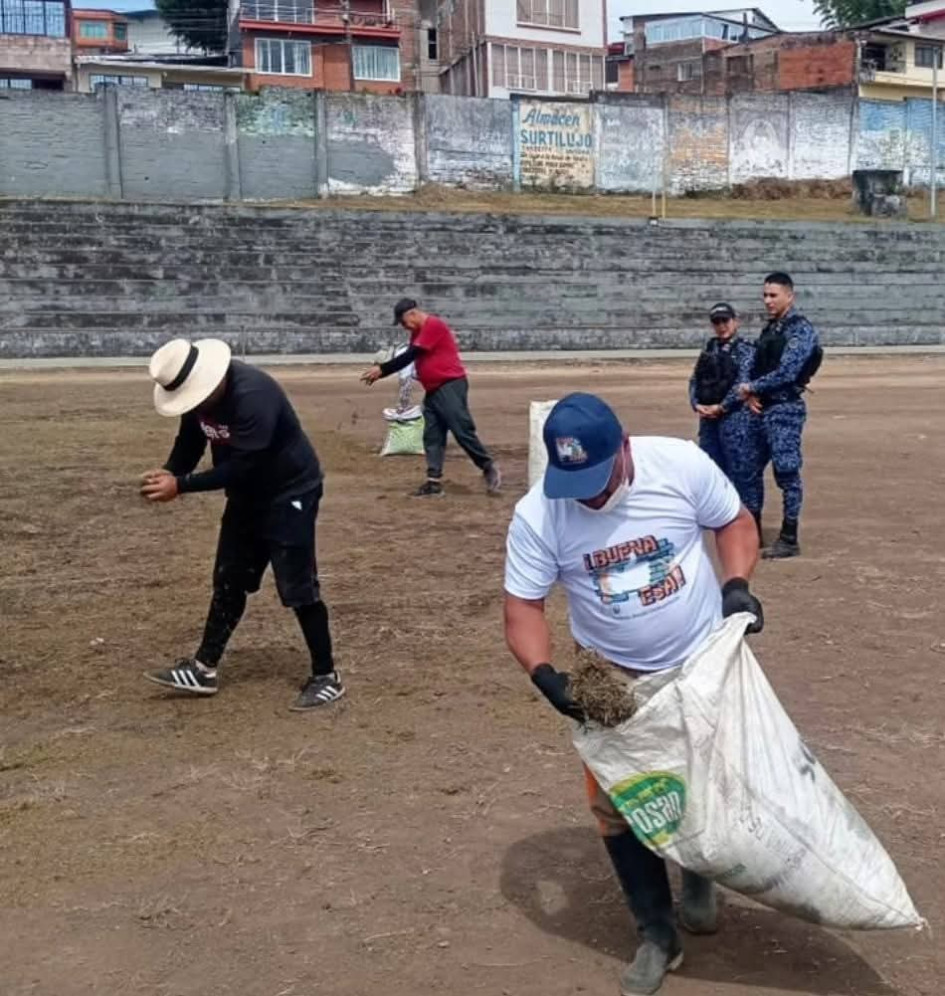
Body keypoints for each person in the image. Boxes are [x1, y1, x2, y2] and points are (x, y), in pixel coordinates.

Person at [503, 393, 763, 996]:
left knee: (707, 774)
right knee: (621, 802)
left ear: (624, 447)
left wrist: (737, 587)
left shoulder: (679, 465)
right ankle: (657, 933)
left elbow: (734, 522)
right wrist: (544, 673)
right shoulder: (540, 513)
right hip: (612, 675)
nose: (590, 497)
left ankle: (698, 874)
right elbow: (523, 606)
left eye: (599, 478)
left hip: (701, 657)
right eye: (577, 484)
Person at [139, 337, 344, 711]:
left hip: (290, 491)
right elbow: (191, 439)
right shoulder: (199, 398)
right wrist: (171, 471)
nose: (193, 405)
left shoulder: (254, 395)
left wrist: (181, 486)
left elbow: (243, 466)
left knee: (297, 586)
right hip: (247, 495)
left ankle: (326, 676)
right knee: (230, 578)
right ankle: (203, 668)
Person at [361, 299, 501, 498]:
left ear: (412, 314)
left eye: (403, 322)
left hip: (449, 385)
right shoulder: (417, 332)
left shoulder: (433, 326)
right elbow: (414, 357)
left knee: (461, 429)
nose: (403, 327)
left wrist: (382, 370)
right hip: (434, 389)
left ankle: (488, 465)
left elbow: (411, 355)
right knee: (432, 435)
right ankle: (433, 482)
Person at [737, 272, 822, 560]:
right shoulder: (770, 330)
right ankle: (752, 530)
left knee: (786, 473)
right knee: (748, 469)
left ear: (790, 296)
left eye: (773, 295)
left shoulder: (800, 330)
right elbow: (755, 363)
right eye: (765, 295)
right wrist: (750, 393)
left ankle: (789, 536)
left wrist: (751, 387)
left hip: (784, 409)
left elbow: (787, 371)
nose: (767, 301)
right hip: (761, 408)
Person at [687, 303, 762, 533]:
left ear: (735, 321)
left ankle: (751, 525)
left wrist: (722, 406)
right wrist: (696, 403)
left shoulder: (746, 349)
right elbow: (694, 380)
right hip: (709, 419)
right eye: (717, 322)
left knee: (743, 473)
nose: (721, 326)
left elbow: (743, 382)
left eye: (725, 321)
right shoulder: (709, 348)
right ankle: (722, 519)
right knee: (713, 470)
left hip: (735, 419)